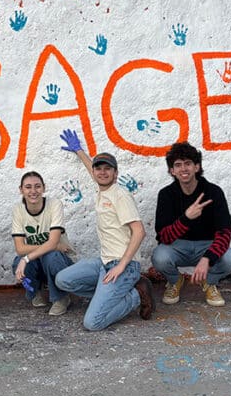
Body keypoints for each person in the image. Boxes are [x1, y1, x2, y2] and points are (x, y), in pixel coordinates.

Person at [54, 130, 153, 330]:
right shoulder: (102, 190)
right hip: (104, 262)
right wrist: (79, 150)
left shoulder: (120, 195)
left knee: (92, 323)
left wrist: (121, 266)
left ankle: (136, 294)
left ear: (116, 174)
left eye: (108, 169)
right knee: (63, 280)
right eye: (99, 169)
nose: (102, 172)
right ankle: (109, 295)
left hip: (124, 266)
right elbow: (94, 172)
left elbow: (139, 231)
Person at [153, 141, 231, 307]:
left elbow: (224, 233)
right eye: (178, 165)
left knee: (230, 259)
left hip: (206, 246)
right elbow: (164, 237)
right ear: (172, 171)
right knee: (159, 257)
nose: (183, 169)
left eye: (188, 163)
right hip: (177, 247)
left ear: (197, 167)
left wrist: (208, 258)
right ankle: (175, 281)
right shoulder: (166, 195)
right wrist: (186, 218)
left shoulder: (214, 192)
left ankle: (209, 282)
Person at [11, 171, 75, 316]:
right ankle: (35, 292)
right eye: (28, 187)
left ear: (44, 188)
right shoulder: (18, 209)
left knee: (51, 256)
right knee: (18, 262)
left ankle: (61, 298)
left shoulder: (54, 204)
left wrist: (27, 258)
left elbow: (52, 244)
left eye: (37, 186)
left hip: (60, 261)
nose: (33, 191)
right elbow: (20, 248)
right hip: (39, 261)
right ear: (21, 190)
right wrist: (54, 245)